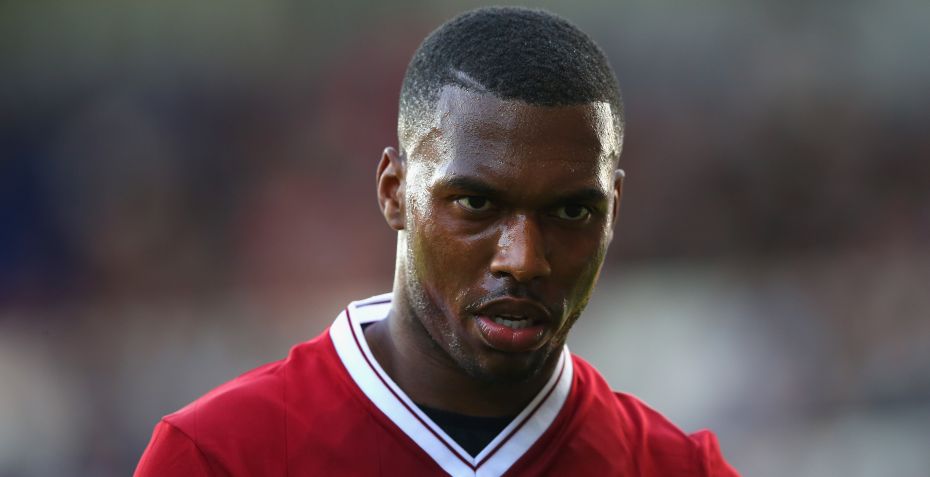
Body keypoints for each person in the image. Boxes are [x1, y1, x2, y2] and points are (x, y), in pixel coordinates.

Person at [135, 7, 739, 476]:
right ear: (394, 192)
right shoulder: (219, 457)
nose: (523, 259)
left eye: (571, 211)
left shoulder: (680, 470)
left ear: (614, 212)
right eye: (476, 204)